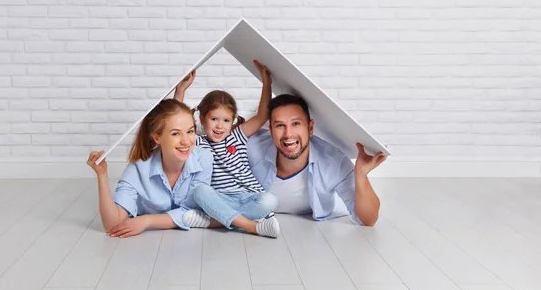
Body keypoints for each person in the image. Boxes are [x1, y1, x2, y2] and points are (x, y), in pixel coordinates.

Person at [173, 60, 280, 238]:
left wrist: (267, 83)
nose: (219, 126)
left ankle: (214, 221)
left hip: (249, 197)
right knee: (199, 191)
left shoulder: (237, 136)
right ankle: (249, 224)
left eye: (226, 121)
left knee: (271, 200)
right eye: (214, 119)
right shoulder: (197, 142)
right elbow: (174, 122)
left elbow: (262, 116)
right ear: (202, 118)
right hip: (219, 198)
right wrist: (180, 90)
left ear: (232, 122)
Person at [247, 94, 387, 226]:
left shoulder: (334, 162)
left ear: (310, 128)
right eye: (280, 125)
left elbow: (368, 220)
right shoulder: (252, 148)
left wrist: (361, 175)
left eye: (296, 124)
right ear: (270, 130)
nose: (288, 134)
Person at [86, 98, 213, 238]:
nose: (186, 141)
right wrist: (102, 175)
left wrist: (147, 221)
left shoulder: (204, 158)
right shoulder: (138, 168)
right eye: (175, 134)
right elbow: (112, 225)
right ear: (157, 138)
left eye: (190, 131)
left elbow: (194, 210)